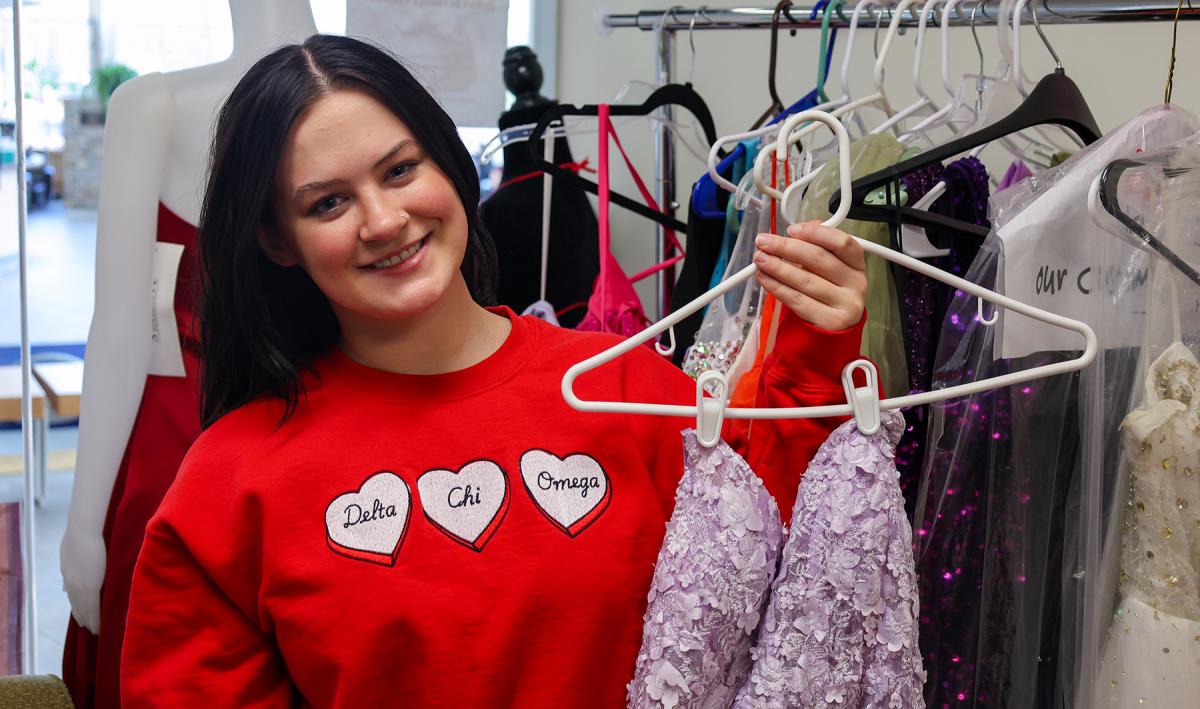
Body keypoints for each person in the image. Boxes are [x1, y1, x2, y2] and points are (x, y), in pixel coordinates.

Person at [120, 34, 870, 707]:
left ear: (448, 164)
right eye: (328, 202)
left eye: (400, 169)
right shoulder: (231, 482)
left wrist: (817, 349)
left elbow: (787, 567)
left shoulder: (624, 386)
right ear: (277, 241)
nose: (383, 220)